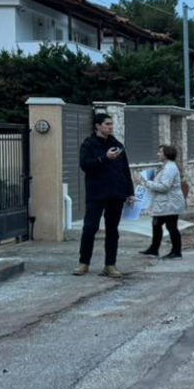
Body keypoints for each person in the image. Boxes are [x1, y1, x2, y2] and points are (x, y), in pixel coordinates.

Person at [77, 112, 134, 278]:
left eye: (111, 124)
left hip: (116, 193)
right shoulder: (89, 144)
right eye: (107, 124)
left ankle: (110, 265)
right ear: (98, 126)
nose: (110, 127)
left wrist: (129, 192)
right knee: (90, 228)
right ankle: (83, 263)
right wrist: (104, 158)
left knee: (112, 230)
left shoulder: (117, 144)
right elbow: (85, 165)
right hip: (96, 193)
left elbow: (125, 170)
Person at [137, 144, 185, 259]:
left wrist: (146, 183)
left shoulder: (170, 168)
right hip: (165, 203)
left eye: (160, 152)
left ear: (166, 154)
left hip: (169, 203)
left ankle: (176, 251)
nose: (158, 154)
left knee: (171, 227)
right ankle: (154, 249)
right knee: (157, 225)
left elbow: (164, 187)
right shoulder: (166, 166)